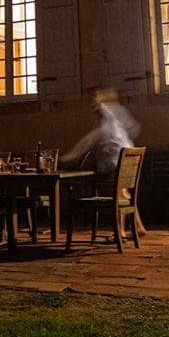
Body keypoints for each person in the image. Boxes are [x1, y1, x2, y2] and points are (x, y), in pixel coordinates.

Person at [62, 87, 146, 234]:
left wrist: (69, 157)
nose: (91, 106)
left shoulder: (109, 119)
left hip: (114, 165)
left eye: (94, 102)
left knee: (117, 195)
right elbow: (133, 128)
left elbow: (89, 140)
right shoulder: (117, 121)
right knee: (124, 194)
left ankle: (120, 231)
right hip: (127, 160)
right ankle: (138, 227)